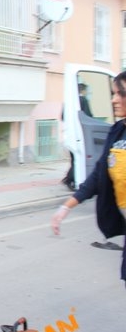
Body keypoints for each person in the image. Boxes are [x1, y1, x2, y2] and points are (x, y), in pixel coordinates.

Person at [51, 70, 126, 287]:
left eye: (120, 94)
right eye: (113, 93)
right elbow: (99, 175)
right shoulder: (117, 131)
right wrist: (67, 206)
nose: (114, 100)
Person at [62, 83, 94, 189]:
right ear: (82, 91)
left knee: (73, 158)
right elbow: (89, 116)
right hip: (80, 133)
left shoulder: (68, 102)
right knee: (79, 159)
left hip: (69, 133)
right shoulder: (83, 100)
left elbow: (62, 116)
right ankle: (71, 180)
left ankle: (69, 179)